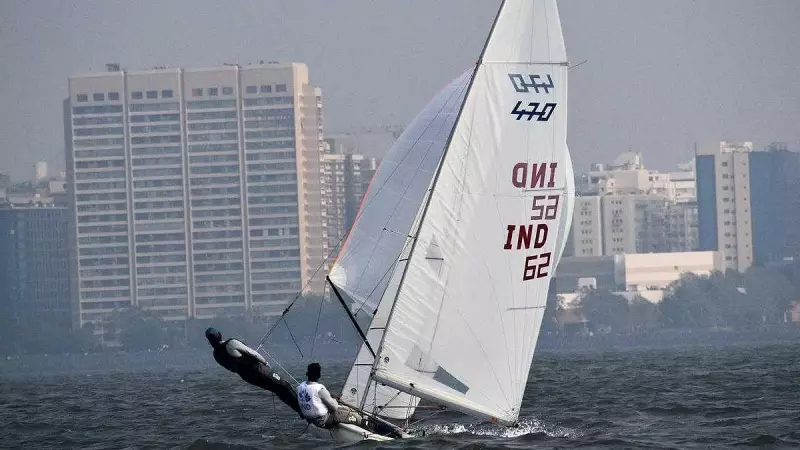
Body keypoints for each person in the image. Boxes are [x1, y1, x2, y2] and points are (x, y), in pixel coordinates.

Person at [205, 327, 302, 417]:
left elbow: (232, 368)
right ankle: (305, 409)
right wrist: (265, 363)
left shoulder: (216, 355)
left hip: (248, 377)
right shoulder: (231, 343)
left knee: (278, 390)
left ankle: (301, 412)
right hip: (259, 369)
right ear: (219, 335)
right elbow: (253, 354)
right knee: (284, 385)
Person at [297, 362, 363, 429]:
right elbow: (334, 407)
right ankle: (363, 421)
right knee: (357, 417)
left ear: (307, 374)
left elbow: (312, 399)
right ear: (318, 375)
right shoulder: (319, 388)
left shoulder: (300, 386)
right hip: (324, 420)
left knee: (347, 409)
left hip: (311, 419)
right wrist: (335, 400)